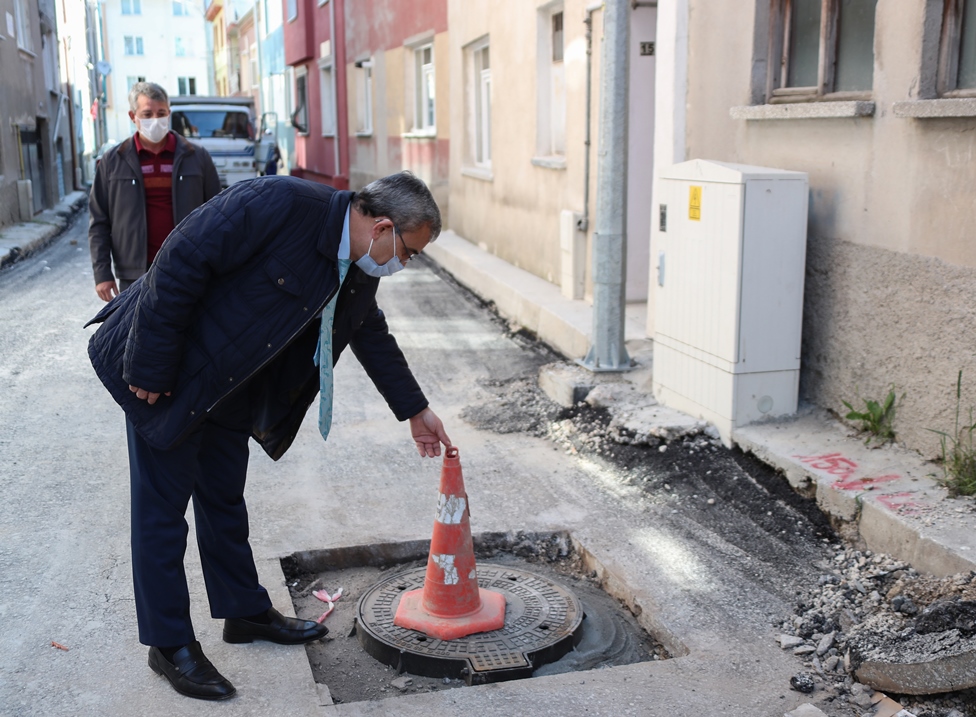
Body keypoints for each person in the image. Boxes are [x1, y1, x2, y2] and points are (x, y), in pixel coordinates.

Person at [85, 171, 452, 701]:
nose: (405, 263)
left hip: (230, 384)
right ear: (382, 228)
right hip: (167, 373)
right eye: (409, 251)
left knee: (223, 498)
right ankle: (168, 644)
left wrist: (415, 409)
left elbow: (367, 328)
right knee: (161, 514)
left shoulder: (357, 265)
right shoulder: (279, 202)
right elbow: (182, 258)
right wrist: (150, 363)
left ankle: (243, 611)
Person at [89, 81, 221, 302]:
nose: (155, 120)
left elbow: (218, 215)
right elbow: (99, 222)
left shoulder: (197, 157)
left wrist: (218, 265)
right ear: (133, 117)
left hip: (188, 267)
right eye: (147, 114)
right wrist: (102, 273)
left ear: (169, 113)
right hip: (134, 273)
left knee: (189, 323)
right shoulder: (113, 161)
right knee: (138, 324)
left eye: (161, 113)